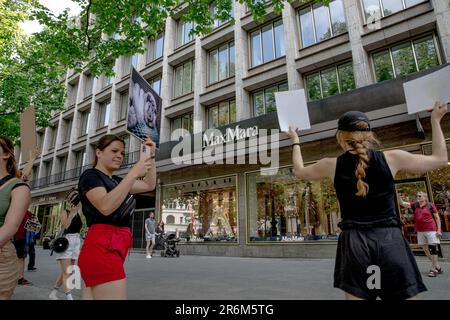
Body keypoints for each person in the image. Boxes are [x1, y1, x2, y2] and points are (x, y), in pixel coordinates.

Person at [286, 101, 448, 300]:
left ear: (340, 138)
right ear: (369, 135)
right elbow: (440, 159)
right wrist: (436, 120)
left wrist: (295, 140)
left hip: (354, 243)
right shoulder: (392, 158)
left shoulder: (331, 165)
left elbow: (299, 171)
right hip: (390, 240)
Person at [77, 134, 156, 300]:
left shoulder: (118, 180)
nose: (119, 155)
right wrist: (133, 173)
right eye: (114, 151)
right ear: (98, 153)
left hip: (112, 245)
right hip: (102, 246)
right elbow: (105, 207)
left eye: (122, 153)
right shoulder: (91, 176)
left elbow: (149, 184)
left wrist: (150, 156)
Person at [0, 136, 31, 299]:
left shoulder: (18, 187)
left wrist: (32, 158)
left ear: (6, 154)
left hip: (2, 255)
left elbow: (10, 226)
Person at [399, 191, 443, 277]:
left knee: (432, 248)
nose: (418, 197)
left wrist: (439, 230)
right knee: (425, 248)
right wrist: (399, 195)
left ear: (425, 198)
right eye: (417, 196)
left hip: (431, 230)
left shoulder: (430, 205)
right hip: (420, 230)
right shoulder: (415, 205)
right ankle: (437, 266)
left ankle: (433, 269)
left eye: (419, 196)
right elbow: (402, 203)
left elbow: (437, 218)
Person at [49, 189, 82, 300]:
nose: (76, 199)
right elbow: (66, 226)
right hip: (66, 241)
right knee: (66, 271)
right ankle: (69, 296)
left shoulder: (79, 211)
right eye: (74, 196)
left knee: (69, 270)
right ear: (69, 199)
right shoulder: (65, 211)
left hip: (76, 241)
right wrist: (71, 215)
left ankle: (54, 292)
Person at [12, 210, 33, 286]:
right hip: (12, 236)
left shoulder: (29, 213)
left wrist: (31, 229)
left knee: (21, 258)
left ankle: (20, 278)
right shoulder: (13, 209)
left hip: (22, 238)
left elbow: (32, 226)